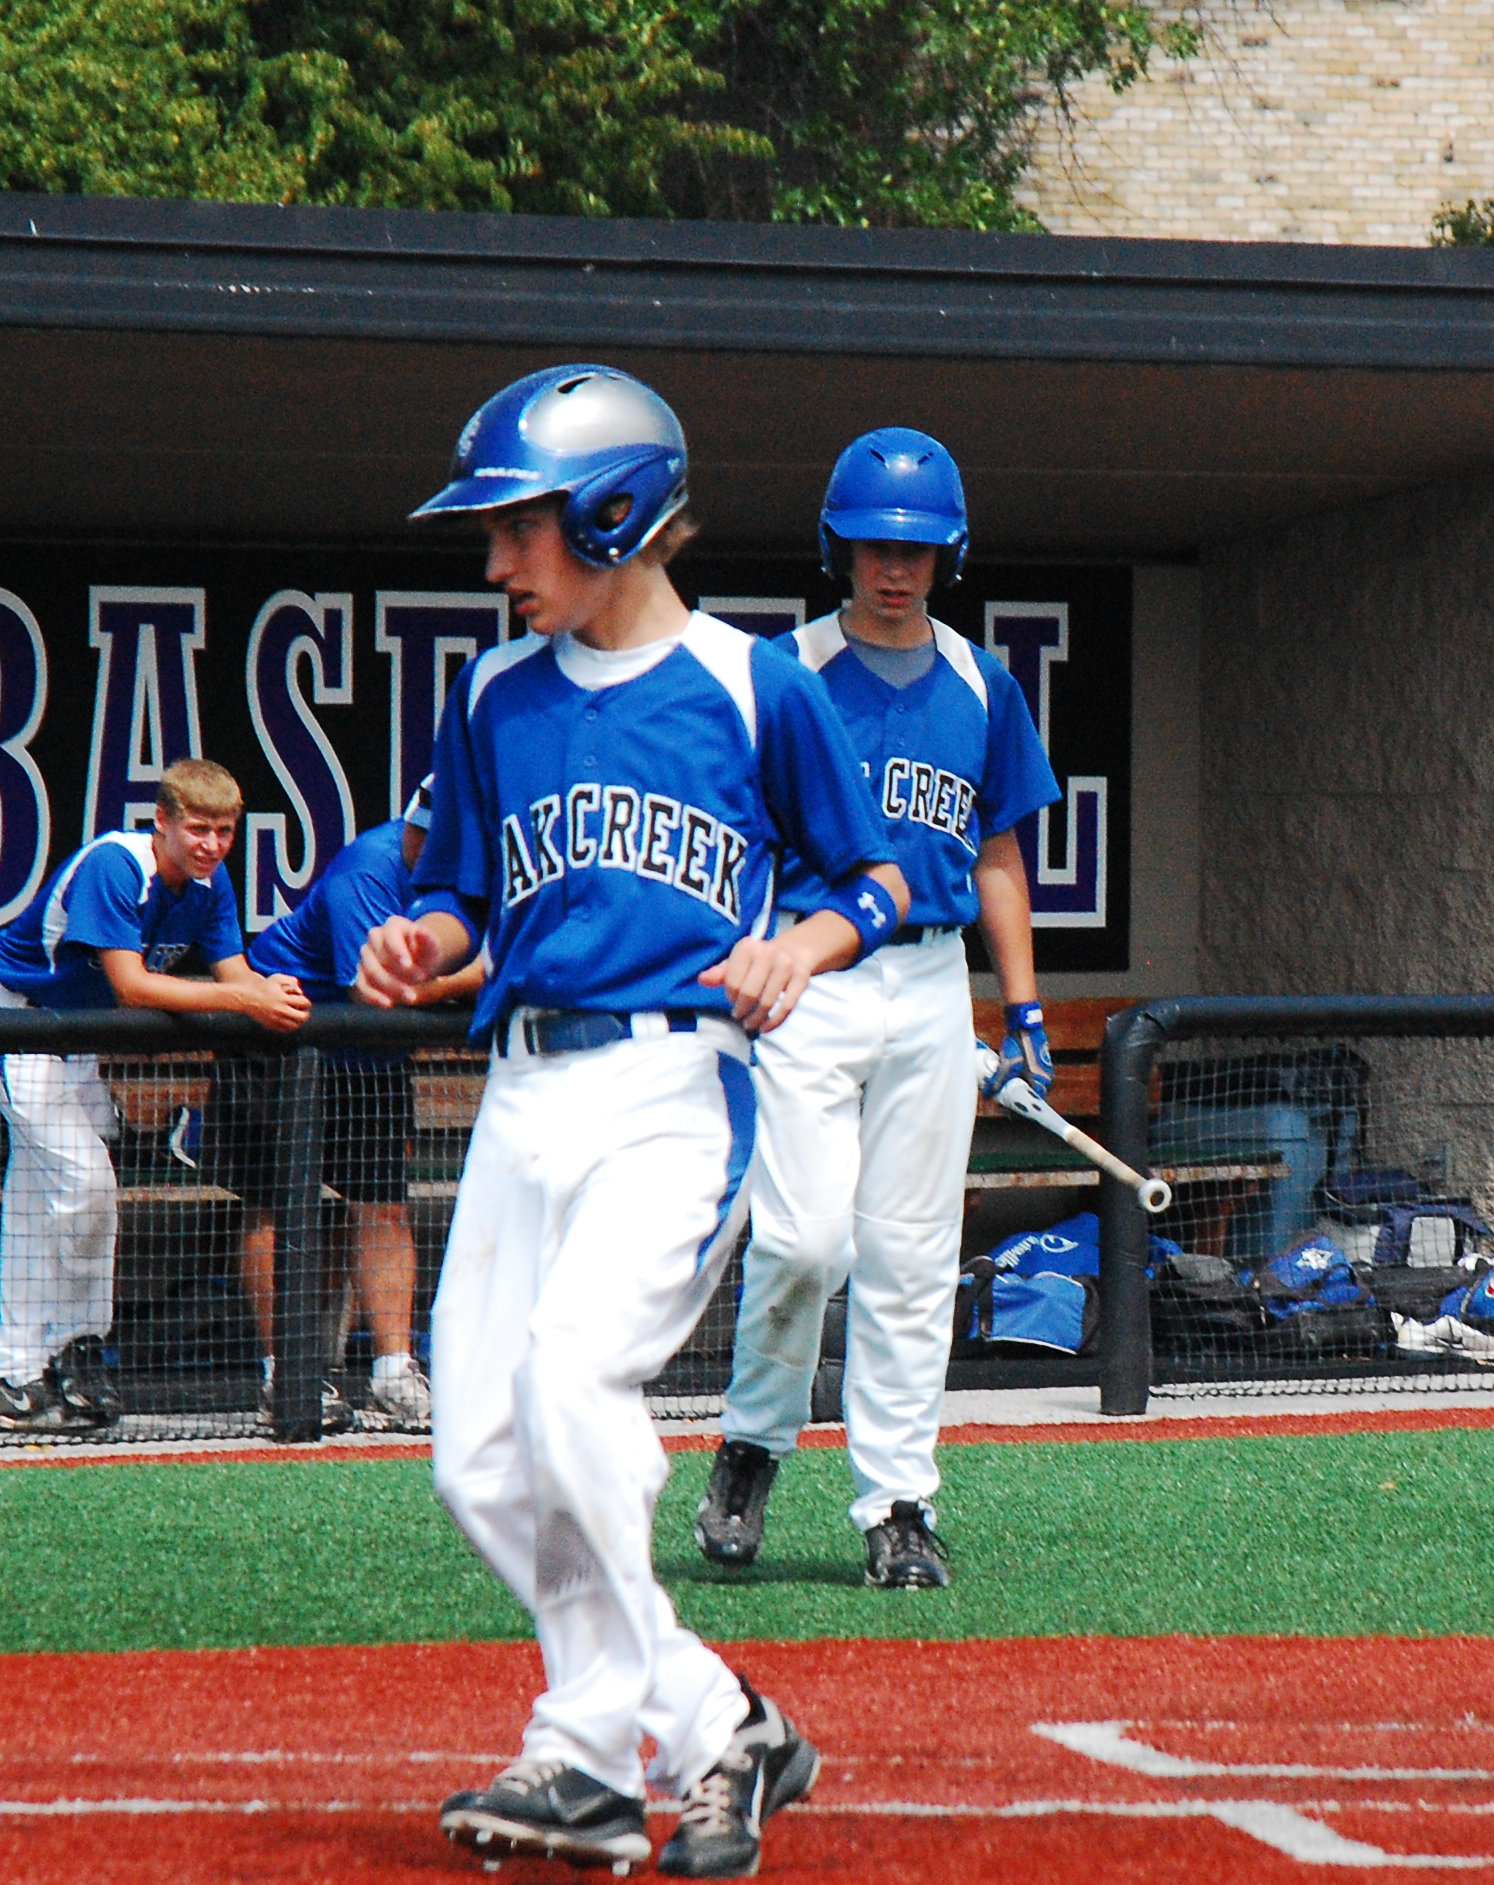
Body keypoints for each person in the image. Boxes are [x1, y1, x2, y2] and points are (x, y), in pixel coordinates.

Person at [356, 363, 906, 1878]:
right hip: (521, 1092)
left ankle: (619, 1742)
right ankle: (671, 1737)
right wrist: (421, 942)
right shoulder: (493, 695)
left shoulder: (752, 682)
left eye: (517, 526)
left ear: (610, 512)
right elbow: (461, 895)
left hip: (675, 1086)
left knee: (569, 1384)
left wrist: (802, 947)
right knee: (476, 1457)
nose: (495, 561)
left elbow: (875, 878)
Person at [695, 428, 1060, 1590]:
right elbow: (729, 831)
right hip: (809, 974)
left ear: (948, 553)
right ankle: (752, 1442)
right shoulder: (782, 670)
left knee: (908, 1254)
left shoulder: (981, 681)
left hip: (931, 976)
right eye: (870, 545)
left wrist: (1023, 1008)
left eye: (913, 547)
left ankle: (897, 1502)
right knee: (803, 1239)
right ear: (834, 549)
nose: (892, 567)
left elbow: (997, 852)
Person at [0, 758, 309, 1436]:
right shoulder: (117, 864)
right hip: (15, 1020)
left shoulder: (210, 882)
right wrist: (248, 999)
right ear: (163, 821)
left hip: (75, 1039)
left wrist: (271, 992)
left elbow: (234, 971)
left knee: (41, 1199)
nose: (211, 844)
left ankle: (20, 1377)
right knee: (85, 1183)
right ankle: (71, 1351)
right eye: (198, 828)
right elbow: (133, 986)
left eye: (224, 830)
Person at [209, 775, 478, 1434]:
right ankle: (287, 1376)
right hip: (284, 1034)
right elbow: (375, 995)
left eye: (442, 834)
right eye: (421, 830)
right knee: (276, 1206)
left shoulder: (472, 877)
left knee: (383, 1206)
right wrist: (475, 982)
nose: (426, 843)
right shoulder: (370, 867)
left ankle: (393, 1374)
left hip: (368, 1059)